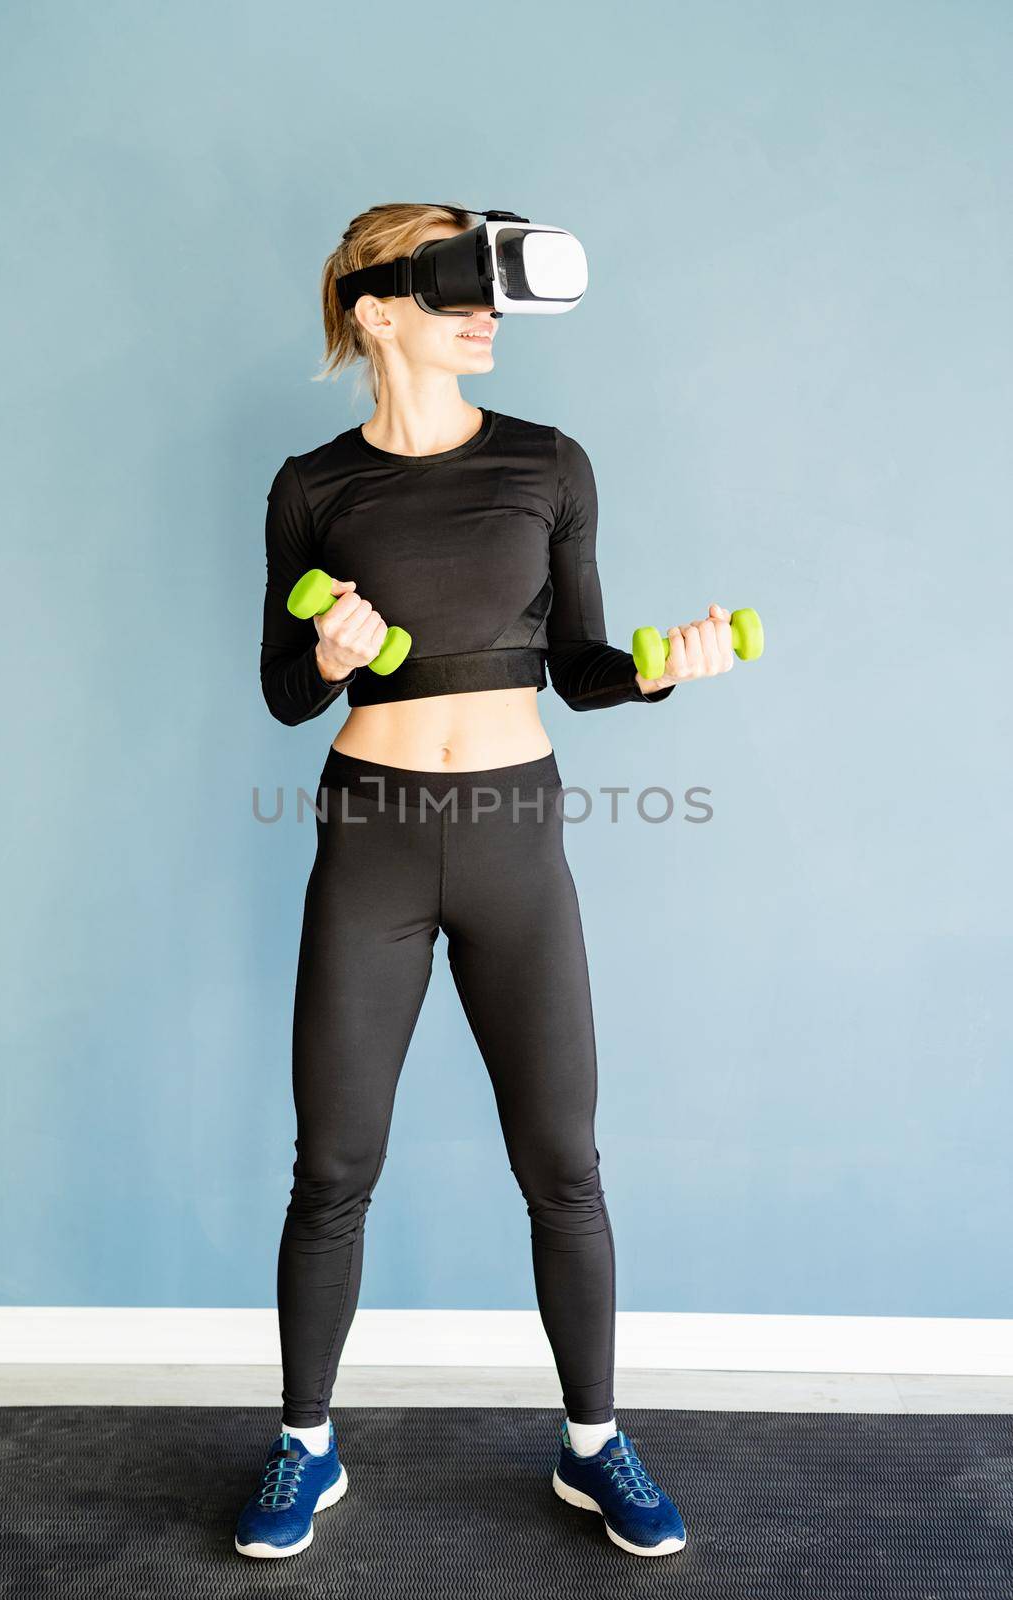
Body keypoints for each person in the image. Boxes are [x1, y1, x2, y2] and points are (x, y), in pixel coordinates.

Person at [235, 202, 735, 1563]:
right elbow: (284, 692)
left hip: (516, 828)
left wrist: (652, 667)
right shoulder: (311, 486)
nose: (488, 309)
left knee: (563, 1162)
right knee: (333, 1166)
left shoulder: (550, 464)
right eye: (457, 283)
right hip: (371, 836)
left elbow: (576, 663)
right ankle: (305, 1446)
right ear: (377, 308)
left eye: (493, 286)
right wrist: (331, 653)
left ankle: (592, 1448)